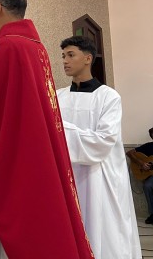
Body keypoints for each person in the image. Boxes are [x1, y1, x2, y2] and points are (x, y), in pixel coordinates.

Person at [0, 0, 94, 258]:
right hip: (36, 147)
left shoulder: (8, 46)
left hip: (17, 156)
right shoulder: (33, 46)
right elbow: (1, 83)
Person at [56, 36, 141, 258]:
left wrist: (58, 128)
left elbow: (102, 142)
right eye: (63, 56)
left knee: (102, 236)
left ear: (87, 58)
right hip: (68, 177)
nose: (64, 61)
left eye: (70, 55)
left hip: (100, 179)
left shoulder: (108, 97)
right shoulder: (57, 97)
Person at [126, 127, 153, 225]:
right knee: (148, 186)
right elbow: (129, 153)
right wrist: (141, 163)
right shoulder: (148, 146)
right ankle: (152, 214)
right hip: (151, 176)